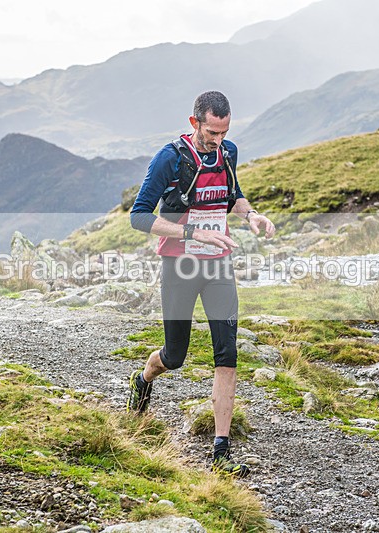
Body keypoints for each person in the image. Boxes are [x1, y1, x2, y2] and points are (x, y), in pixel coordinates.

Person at [127, 91, 275, 477]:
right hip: (179, 266)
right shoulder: (170, 159)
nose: (218, 140)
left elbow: (234, 197)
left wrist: (251, 215)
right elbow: (139, 217)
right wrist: (193, 231)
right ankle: (143, 380)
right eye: (212, 132)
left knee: (226, 353)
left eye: (224, 132)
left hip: (218, 268)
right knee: (174, 356)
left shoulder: (227, 153)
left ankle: (221, 453)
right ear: (195, 123)